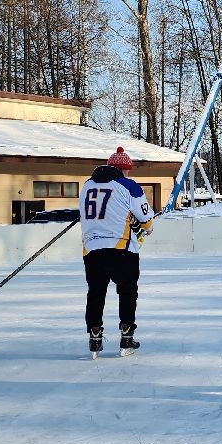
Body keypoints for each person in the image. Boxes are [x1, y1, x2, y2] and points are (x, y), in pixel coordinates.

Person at [79, 146, 155, 357]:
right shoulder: (128, 185)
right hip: (121, 248)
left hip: (91, 249)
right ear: (123, 169)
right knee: (127, 291)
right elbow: (145, 219)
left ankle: (94, 336)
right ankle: (127, 336)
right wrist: (147, 228)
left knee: (96, 292)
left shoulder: (87, 185)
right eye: (128, 169)